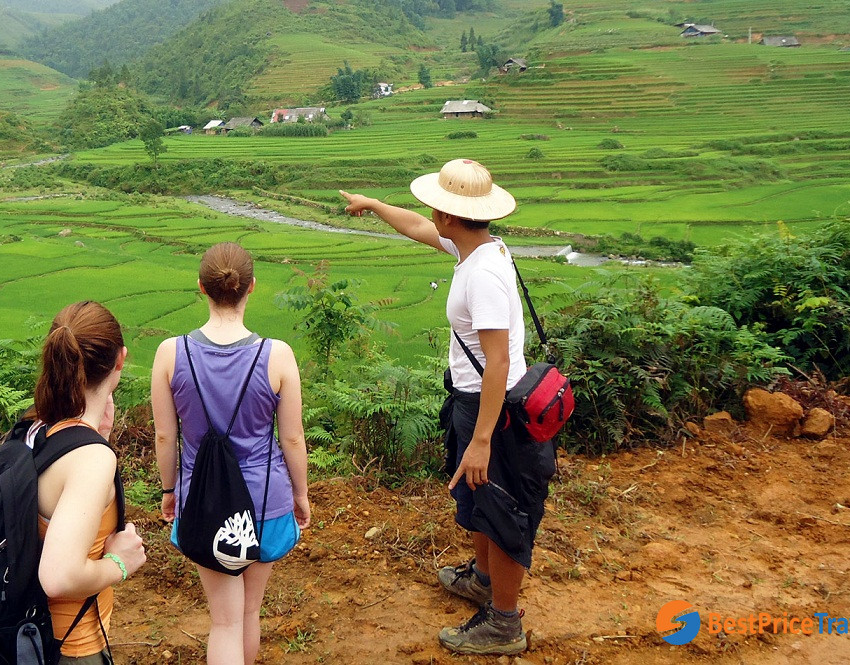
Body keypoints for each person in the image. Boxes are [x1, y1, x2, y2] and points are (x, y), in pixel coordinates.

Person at [340, 159, 555, 656]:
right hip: (472, 398)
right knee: (481, 500)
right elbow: (416, 227)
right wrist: (372, 205)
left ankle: (505, 622)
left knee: (502, 510)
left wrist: (482, 441)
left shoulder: (482, 275)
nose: (427, 210)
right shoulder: (476, 247)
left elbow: (499, 363)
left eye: (435, 204)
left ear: (451, 214)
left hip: (493, 408)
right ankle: (482, 580)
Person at [151, 242, 311, 665]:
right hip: (265, 502)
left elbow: (166, 437)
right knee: (250, 611)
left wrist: (170, 490)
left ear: (201, 287)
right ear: (251, 287)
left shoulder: (171, 353)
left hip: (201, 502)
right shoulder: (276, 355)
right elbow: (292, 438)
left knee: (224, 621)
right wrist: (301, 495)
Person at [35, 301, 148, 664]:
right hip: (68, 645)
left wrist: (98, 435)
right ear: (121, 360)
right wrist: (120, 562)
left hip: (24, 632)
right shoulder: (91, 460)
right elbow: (58, 577)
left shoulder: (37, 428)